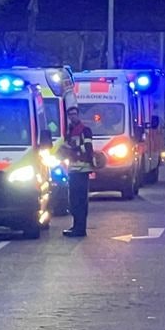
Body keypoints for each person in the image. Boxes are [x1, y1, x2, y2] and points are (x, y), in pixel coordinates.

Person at [60, 102, 95, 237]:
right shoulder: (69, 131)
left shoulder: (85, 130)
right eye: (70, 115)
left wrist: (72, 150)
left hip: (82, 170)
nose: (72, 117)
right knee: (74, 201)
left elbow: (88, 148)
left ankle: (80, 229)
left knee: (80, 201)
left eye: (74, 114)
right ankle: (76, 226)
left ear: (78, 115)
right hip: (73, 170)